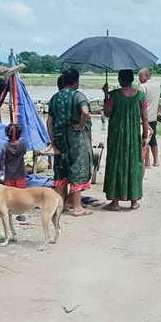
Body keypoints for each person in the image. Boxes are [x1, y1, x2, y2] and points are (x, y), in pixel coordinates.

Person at [102, 69, 151, 211]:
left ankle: (115, 202)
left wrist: (105, 95)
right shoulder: (141, 96)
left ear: (119, 80)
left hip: (116, 137)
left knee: (116, 165)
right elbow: (145, 117)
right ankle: (134, 201)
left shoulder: (114, 96)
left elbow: (107, 113)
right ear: (132, 79)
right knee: (134, 165)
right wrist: (145, 135)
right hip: (134, 137)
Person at [47, 68, 93, 217]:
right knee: (77, 168)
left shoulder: (55, 98)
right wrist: (80, 126)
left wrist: (53, 142)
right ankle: (77, 207)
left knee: (61, 169)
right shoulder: (78, 96)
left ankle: (62, 204)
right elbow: (85, 112)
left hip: (60, 138)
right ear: (76, 81)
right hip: (75, 139)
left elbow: (49, 122)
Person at [139, 68, 161, 168]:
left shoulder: (143, 86)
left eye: (141, 76)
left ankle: (147, 162)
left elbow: (140, 102)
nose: (139, 79)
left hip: (145, 117)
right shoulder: (157, 86)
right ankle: (156, 161)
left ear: (147, 76)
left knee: (145, 140)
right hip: (154, 116)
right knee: (153, 139)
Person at [0, 123, 27, 188]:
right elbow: (24, 153)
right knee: (21, 193)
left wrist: (0, 170)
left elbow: (3, 159)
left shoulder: (5, 146)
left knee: (10, 194)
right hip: (21, 174)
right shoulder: (23, 144)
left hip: (9, 175)